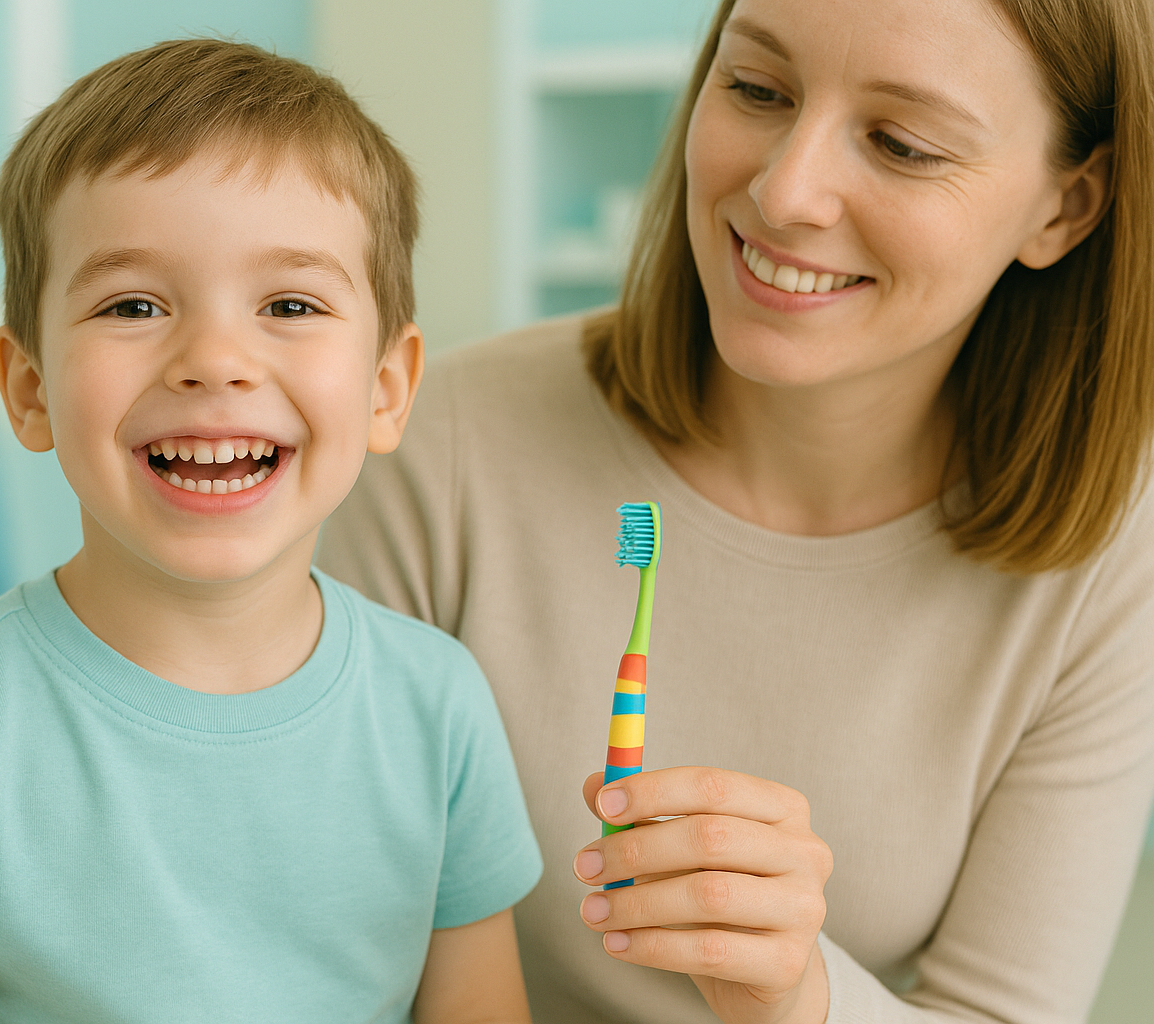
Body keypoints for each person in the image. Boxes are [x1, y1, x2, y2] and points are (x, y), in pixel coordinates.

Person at [318, 0, 1154, 1022]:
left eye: (903, 144)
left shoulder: (1112, 549)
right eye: (756, 88)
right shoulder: (436, 448)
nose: (783, 190)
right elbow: (303, 943)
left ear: (1065, 209)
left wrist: (801, 997)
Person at [0, 39, 542, 1024]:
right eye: (135, 304)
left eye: (289, 303)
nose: (215, 359)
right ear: (30, 389)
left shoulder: (440, 704)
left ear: (386, 388)